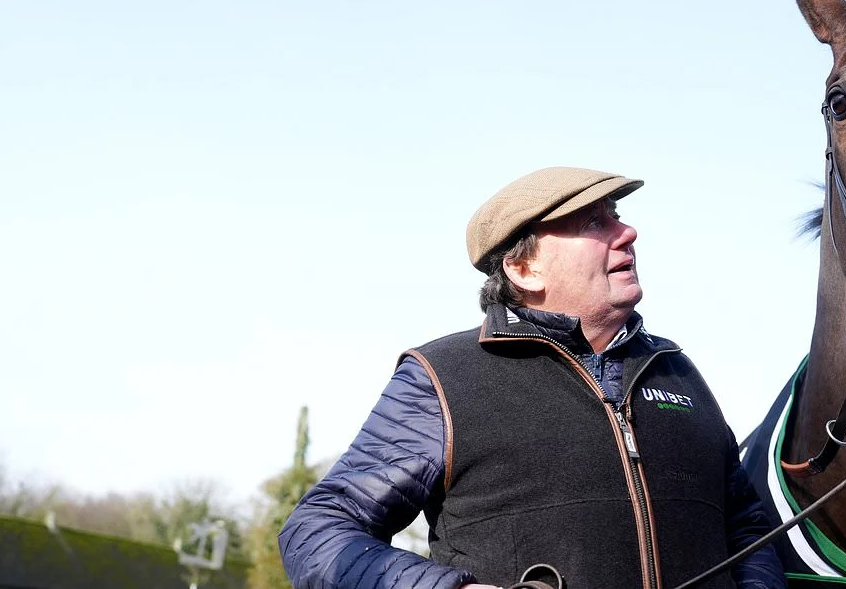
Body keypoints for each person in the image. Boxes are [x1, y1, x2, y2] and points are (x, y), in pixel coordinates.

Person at [279, 166, 785, 589]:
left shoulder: (676, 368)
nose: (627, 232)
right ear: (524, 269)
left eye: (616, 215)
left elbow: (747, 529)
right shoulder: (443, 377)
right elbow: (317, 531)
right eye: (593, 222)